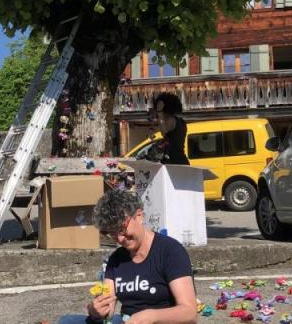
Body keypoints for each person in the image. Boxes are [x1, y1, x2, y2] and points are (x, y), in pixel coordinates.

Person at [58, 190, 197, 324]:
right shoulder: (116, 259)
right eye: (112, 233)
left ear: (139, 216)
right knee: (66, 321)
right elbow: (109, 312)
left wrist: (152, 316)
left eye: (122, 228)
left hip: (162, 321)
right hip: (127, 320)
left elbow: (189, 313)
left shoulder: (170, 251)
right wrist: (96, 311)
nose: (119, 238)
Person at [153, 92, 189, 166]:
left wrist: (160, 113)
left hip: (173, 163)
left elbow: (164, 131)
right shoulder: (180, 121)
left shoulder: (170, 120)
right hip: (181, 160)